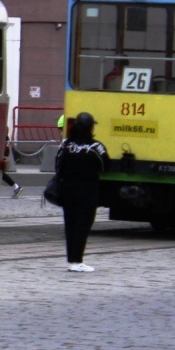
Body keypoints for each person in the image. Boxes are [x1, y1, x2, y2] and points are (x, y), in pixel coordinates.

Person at [53, 111, 107, 272]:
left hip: (67, 190)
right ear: (90, 128)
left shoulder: (65, 145)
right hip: (87, 191)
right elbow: (105, 166)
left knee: (70, 225)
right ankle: (77, 261)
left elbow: (58, 165)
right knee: (82, 225)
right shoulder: (95, 147)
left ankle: (72, 260)